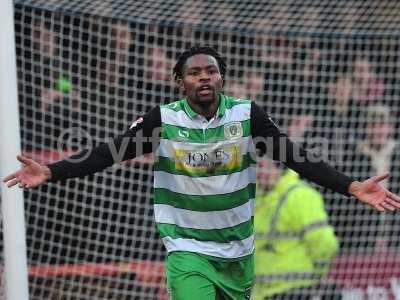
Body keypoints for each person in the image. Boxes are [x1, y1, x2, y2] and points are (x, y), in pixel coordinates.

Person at [3, 46, 400, 300]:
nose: (204, 76)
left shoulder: (247, 115)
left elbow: (295, 157)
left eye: (211, 70)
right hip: (187, 246)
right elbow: (108, 153)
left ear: (221, 77)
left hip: (238, 251)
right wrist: (52, 172)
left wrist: (350, 186)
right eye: (194, 72)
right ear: (180, 82)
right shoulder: (164, 119)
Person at [254, 159, 339, 300]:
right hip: (264, 293)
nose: (258, 173)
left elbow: (324, 243)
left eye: (263, 166)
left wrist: (318, 274)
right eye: (254, 167)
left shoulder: (300, 195)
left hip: (297, 289)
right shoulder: (257, 199)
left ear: (278, 166)